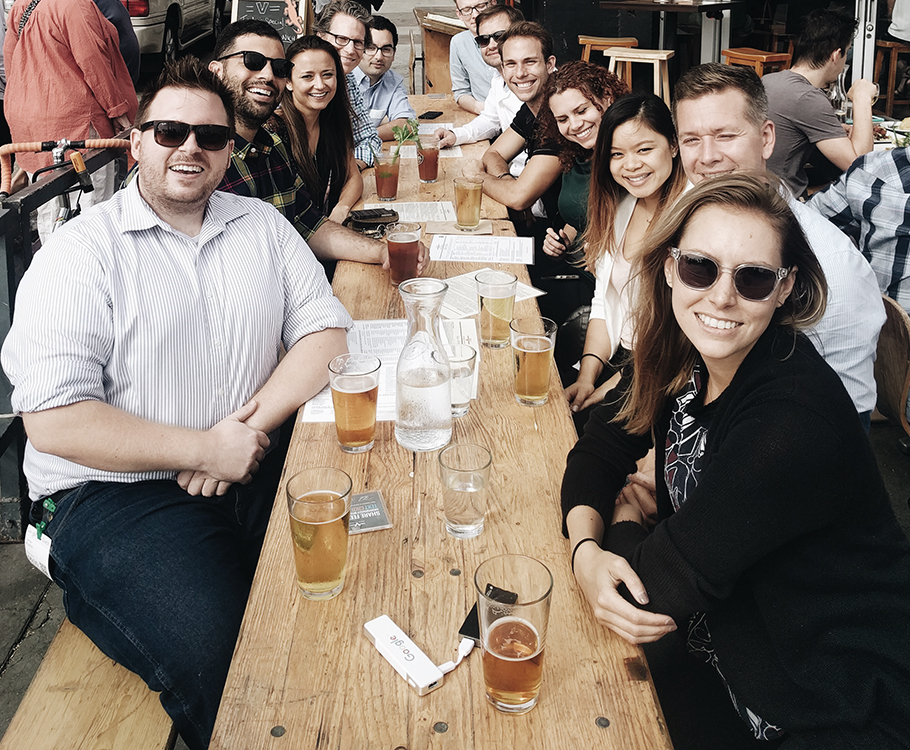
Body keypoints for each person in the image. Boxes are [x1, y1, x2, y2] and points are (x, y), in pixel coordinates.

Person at [0, 57, 352, 750]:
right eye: (169, 132)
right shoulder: (80, 253)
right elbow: (55, 419)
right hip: (114, 496)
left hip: (251, 457)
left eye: (210, 137)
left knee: (343, 597)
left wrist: (239, 436)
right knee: (234, 667)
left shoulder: (260, 224)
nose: (190, 147)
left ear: (228, 150)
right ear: (137, 142)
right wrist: (202, 450)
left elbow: (326, 334)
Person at [564, 172, 910, 750]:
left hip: (828, 701)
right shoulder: (682, 349)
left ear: (784, 287)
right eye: (700, 268)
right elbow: (601, 446)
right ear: (670, 267)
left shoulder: (791, 420)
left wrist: (621, 521)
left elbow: (645, 591)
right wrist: (585, 550)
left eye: (752, 278)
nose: (721, 297)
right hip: (729, 649)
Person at [673, 63, 884, 427]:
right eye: (691, 139)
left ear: (767, 138)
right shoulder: (686, 219)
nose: (706, 157)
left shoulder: (830, 264)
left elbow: (843, 418)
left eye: (725, 135)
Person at [211, 20, 411, 274]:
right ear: (216, 71)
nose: (268, 75)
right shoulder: (202, 158)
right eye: (252, 61)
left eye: (279, 67)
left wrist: (382, 251)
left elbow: (309, 225)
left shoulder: (272, 148)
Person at [557, 93, 686, 428]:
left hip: (665, 375)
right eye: (617, 154)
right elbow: (604, 302)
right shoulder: (622, 206)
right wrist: (587, 377)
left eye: (644, 149)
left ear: (673, 145)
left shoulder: (691, 219)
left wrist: (608, 390)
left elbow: (677, 341)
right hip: (621, 359)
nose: (631, 165)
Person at [463, 22, 574, 321]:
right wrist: (505, 181)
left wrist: (480, 178)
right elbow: (494, 153)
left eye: (529, 62)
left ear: (549, 64)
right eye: (510, 64)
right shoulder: (533, 106)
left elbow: (519, 197)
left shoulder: (559, 116)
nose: (520, 73)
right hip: (548, 236)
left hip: (566, 251)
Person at [4, 0, 138, 243]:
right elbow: (93, 62)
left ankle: (53, 258)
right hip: (77, 121)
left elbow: (12, 63)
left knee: (48, 204)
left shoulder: (21, 6)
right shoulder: (74, 5)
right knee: (91, 205)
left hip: (32, 123)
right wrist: (118, 112)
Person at [763, 7, 877, 198]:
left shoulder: (770, 80)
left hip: (760, 192)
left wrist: (833, 129)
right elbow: (859, 165)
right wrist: (862, 98)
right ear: (836, 55)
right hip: (783, 203)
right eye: (847, 52)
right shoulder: (807, 97)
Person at [278, 35, 363, 225]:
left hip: (324, 231)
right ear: (288, 82)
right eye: (307, 76)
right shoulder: (275, 131)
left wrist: (342, 208)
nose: (320, 85)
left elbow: (353, 177)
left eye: (327, 74)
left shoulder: (332, 120)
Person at [434, 4, 523, 149]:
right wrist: (456, 135)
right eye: (483, 40)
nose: (491, 45)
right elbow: (490, 120)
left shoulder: (532, 79)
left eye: (499, 36)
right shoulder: (498, 78)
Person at [315, 0, 382, 171]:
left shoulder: (348, 79)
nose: (351, 50)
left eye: (358, 42)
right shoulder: (296, 79)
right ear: (321, 37)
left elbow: (369, 139)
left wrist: (354, 168)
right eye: (341, 39)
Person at [353, 15, 416, 141]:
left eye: (386, 49)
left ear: (394, 54)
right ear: (359, 48)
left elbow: (408, 125)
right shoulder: (341, 78)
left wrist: (365, 136)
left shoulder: (393, 82)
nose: (379, 57)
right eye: (371, 48)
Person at [449, 0, 499, 114]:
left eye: (480, 6)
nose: (475, 15)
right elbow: (461, 91)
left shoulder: (512, 37)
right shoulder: (458, 42)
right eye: (467, 10)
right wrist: (481, 108)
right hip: (482, 114)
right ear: (459, 14)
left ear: (493, 3)